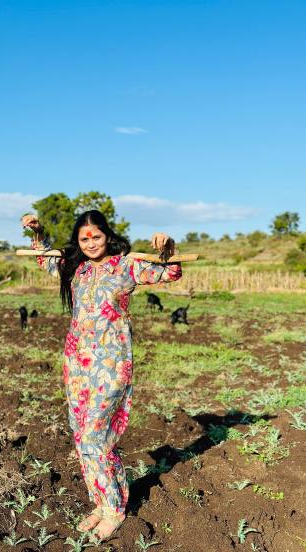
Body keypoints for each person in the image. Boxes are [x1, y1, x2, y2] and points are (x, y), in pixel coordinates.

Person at [21, 210, 182, 542]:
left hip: (111, 364)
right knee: (81, 436)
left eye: (96, 236)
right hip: (77, 363)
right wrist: (37, 233)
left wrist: (168, 248)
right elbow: (44, 258)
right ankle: (99, 500)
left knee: (96, 436)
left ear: (107, 236)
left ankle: (114, 509)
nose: (91, 243)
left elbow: (170, 273)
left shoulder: (126, 266)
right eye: (84, 238)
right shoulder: (75, 268)